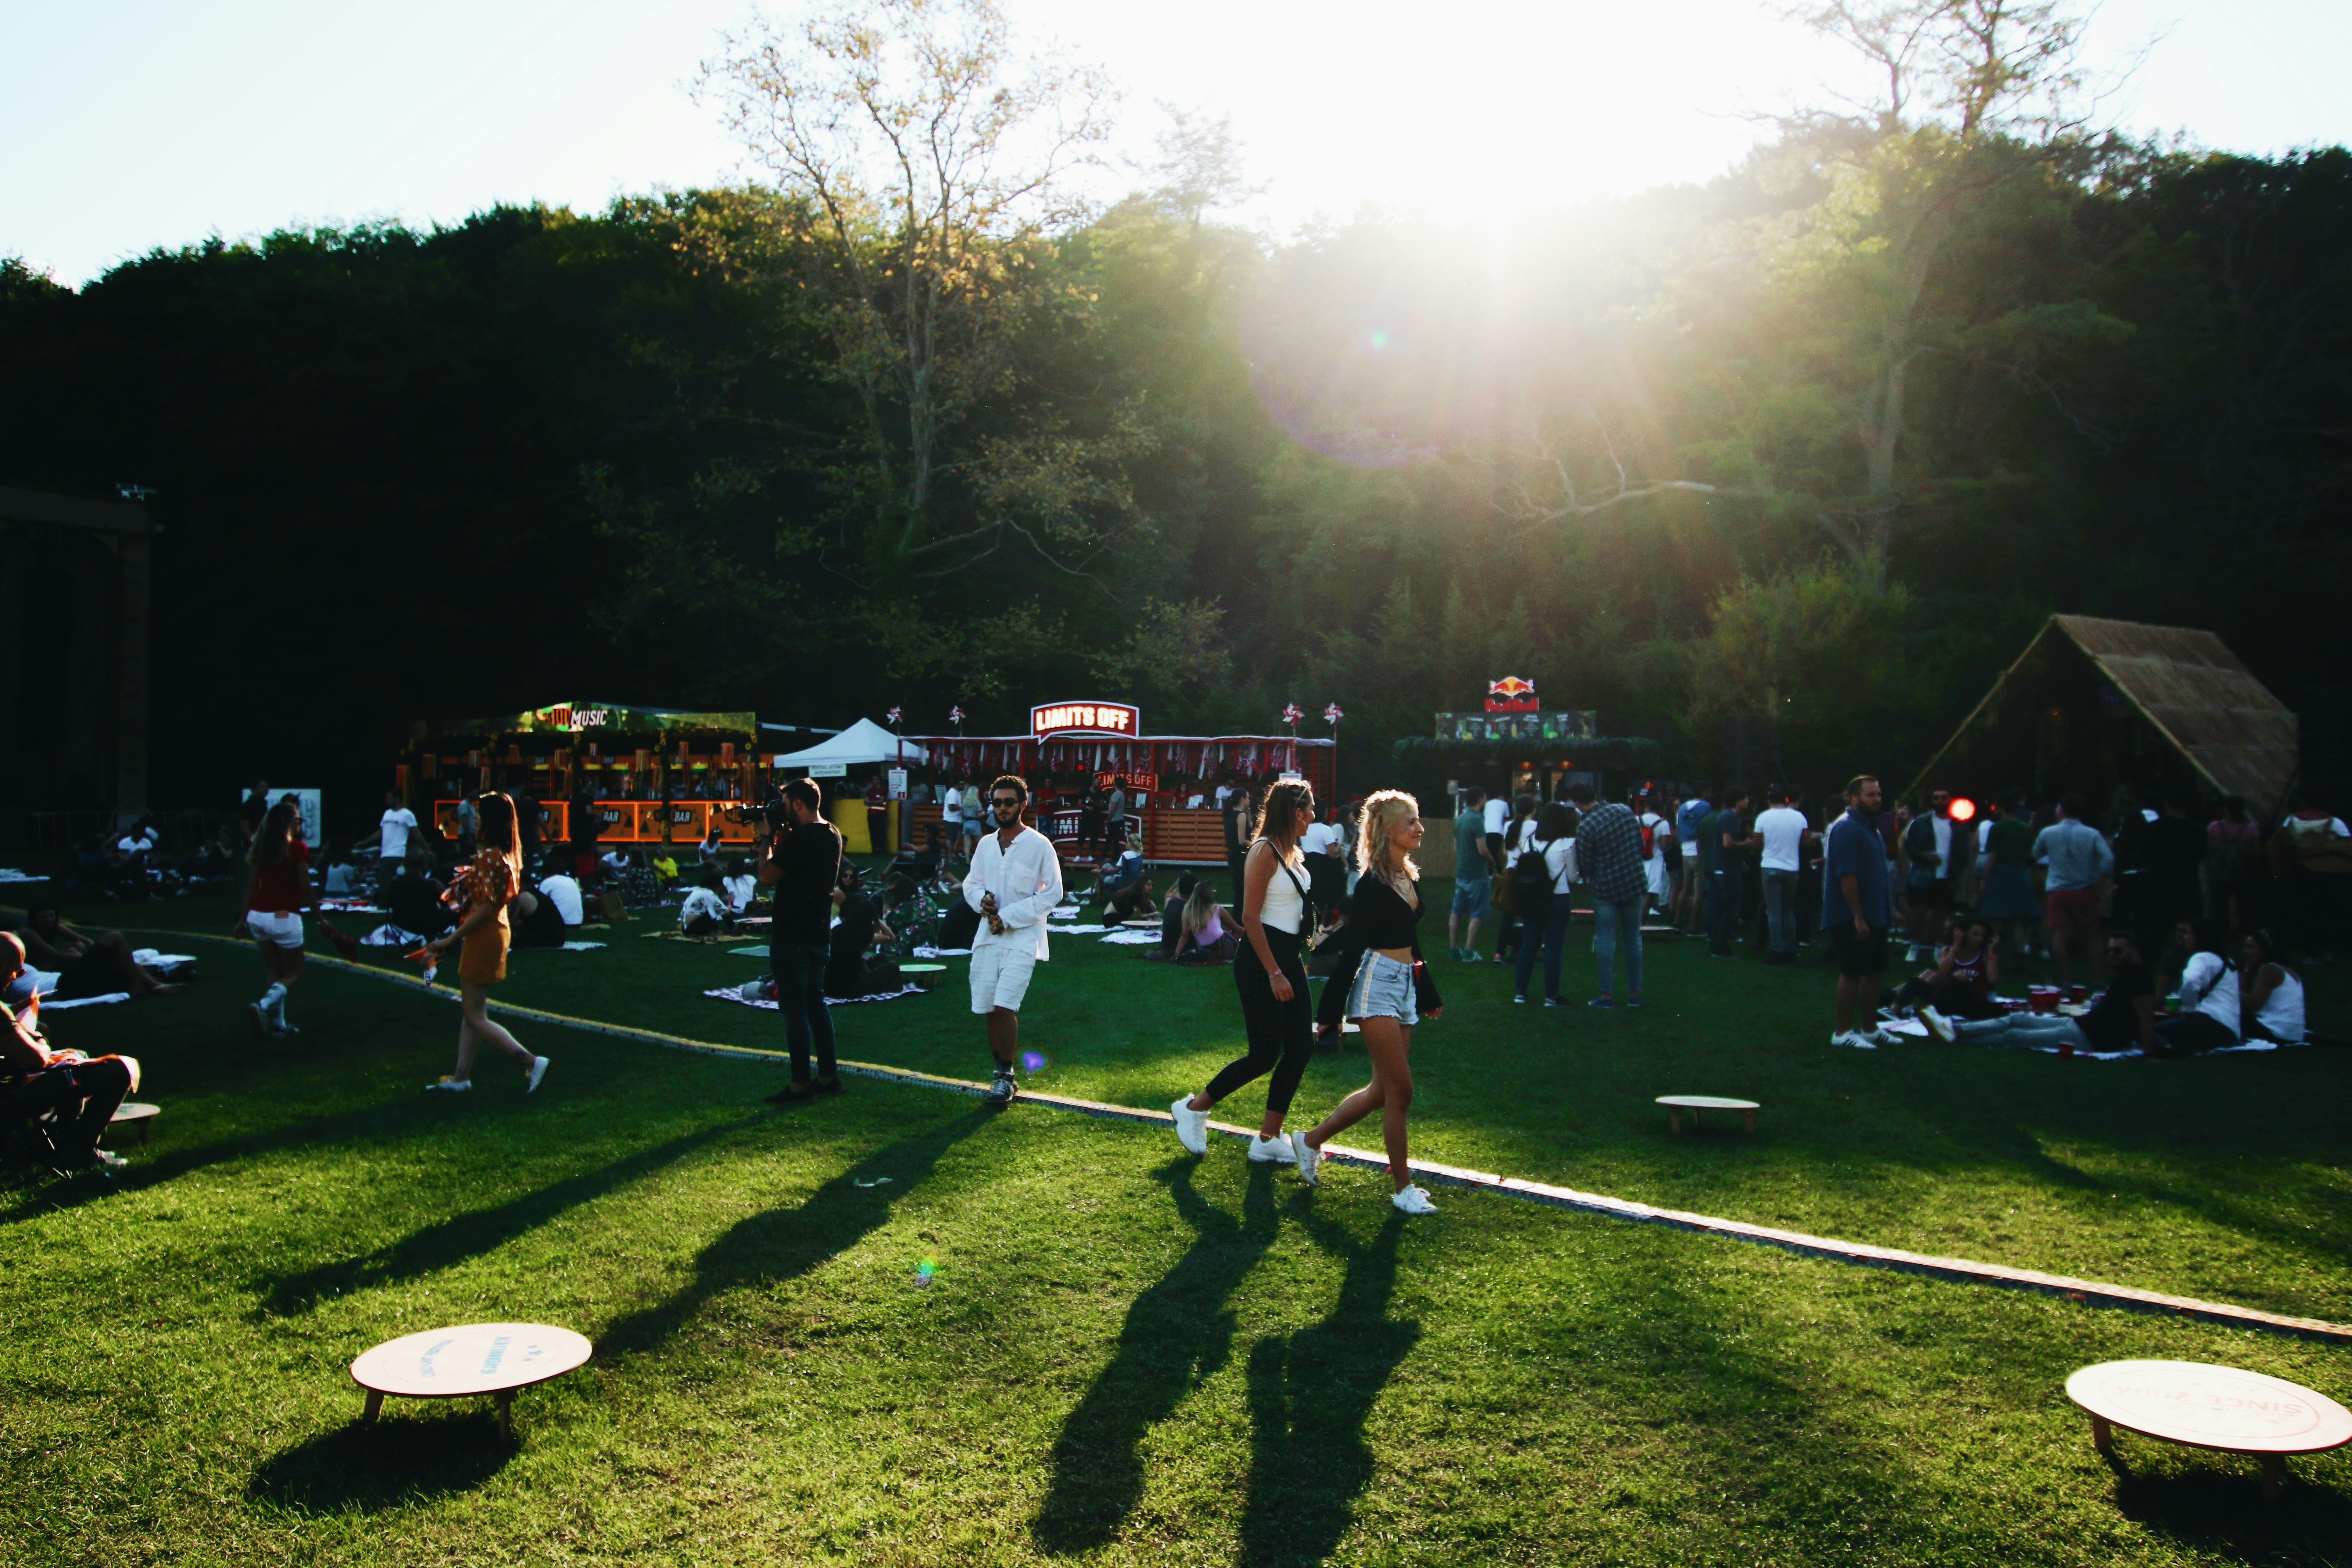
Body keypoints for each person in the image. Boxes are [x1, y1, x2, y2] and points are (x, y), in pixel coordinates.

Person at [1294, 790, 1442, 1215]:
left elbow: (1412, 941)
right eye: (1410, 822)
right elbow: (1355, 947)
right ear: (1388, 832)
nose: (1420, 828)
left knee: (1383, 1091)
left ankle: (1310, 1140)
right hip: (1376, 984)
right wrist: (1328, 1015)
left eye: (1417, 820)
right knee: (1402, 1091)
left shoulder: (1405, 874)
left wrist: (1428, 992)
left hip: (1405, 985)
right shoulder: (1372, 883)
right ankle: (1402, 1189)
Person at [1173, 781, 1323, 1162]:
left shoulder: (1292, 853)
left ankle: (1268, 1138)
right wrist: (1274, 972)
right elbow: (1249, 917)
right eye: (1309, 810)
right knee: (1264, 1054)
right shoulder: (1264, 850)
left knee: (1301, 1047)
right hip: (1261, 962)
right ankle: (1192, 1109)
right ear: (1293, 811)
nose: (1313, 817)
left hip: (1286, 958)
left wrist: (1292, 963)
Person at [422, 793, 548, 1094]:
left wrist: (449, 939)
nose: (475, 818)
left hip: (485, 934)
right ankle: (461, 1077)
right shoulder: (506, 854)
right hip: (497, 932)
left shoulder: (488, 856)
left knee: (475, 1014)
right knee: (473, 1012)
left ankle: (530, 1061)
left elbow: (484, 909)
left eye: (480, 814)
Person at [962, 775, 1064, 1107]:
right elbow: (971, 883)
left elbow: (1053, 893)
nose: (1002, 808)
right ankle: (1000, 1073)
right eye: (997, 803)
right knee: (989, 1007)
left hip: (1021, 937)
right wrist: (983, 902)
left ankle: (1006, 1079)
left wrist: (1007, 916)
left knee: (1006, 1005)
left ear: (1023, 804)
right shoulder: (986, 845)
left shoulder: (1039, 845)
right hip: (987, 937)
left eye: (1009, 802)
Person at [2, 933, 139, 1174]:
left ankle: (66, 1143)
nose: (17, 976)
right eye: (16, 969)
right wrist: (38, 1037)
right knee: (119, 1069)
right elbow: (38, 1058)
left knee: (75, 1058)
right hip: (9, 1101)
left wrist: (14, 1020)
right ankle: (79, 1152)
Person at [754, 778, 847, 1101]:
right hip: (819, 933)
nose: (781, 810)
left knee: (794, 1011)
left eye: (784, 803)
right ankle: (827, 1077)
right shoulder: (832, 833)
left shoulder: (800, 838)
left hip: (792, 934)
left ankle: (799, 1085)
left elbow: (767, 876)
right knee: (817, 1007)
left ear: (797, 804)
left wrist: (767, 837)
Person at [1943, 931, 2156, 1055]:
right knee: (2018, 1018)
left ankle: (1957, 1039)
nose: (2112, 956)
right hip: (2081, 1024)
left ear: (2135, 952)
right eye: (2109, 951)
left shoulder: (2139, 977)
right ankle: (1956, 1028)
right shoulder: (2127, 974)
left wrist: (2149, 1054)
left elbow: (2146, 1017)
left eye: (2118, 951)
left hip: (2090, 1037)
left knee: (2016, 1036)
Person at [1825, 775, 1896, 1049]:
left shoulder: (1873, 830)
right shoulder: (1846, 829)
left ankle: (1870, 1028)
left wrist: (1890, 909)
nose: (1877, 799)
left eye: (1878, 794)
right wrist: (1857, 916)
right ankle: (1842, 1033)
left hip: (1875, 914)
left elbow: (1879, 875)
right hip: (1851, 916)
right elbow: (1847, 874)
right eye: (1870, 795)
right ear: (1853, 798)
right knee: (1853, 972)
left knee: (1876, 970)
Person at [235, 797, 314, 1040]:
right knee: (294, 973)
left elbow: (252, 888)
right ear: (289, 823)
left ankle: (278, 1025)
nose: (300, 823)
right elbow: (305, 885)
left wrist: (241, 920)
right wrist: (320, 916)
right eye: (298, 819)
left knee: (276, 970)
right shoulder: (297, 849)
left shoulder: (261, 848)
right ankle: (263, 1006)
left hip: (257, 915)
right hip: (283, 915)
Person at [14, 903, 186, 999]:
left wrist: (92, 953)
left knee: (81, 947)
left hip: (64, 975)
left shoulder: (54, 926)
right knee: (115, 937)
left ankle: (155, 986)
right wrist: (87, 957)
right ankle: (138, 986)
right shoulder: (29, 933)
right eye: (43, 917)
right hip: (53, 971)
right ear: (34, 920)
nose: (48, 920)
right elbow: (56, 956)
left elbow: (85, 940)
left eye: (51, 916)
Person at [2034, 793, 2114, 989]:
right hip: (2084, 888)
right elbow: (2109, 859)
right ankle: (2099, 980)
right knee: (2093, 934)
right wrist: (2101, 882)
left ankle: (2067, 980)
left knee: (2059, 935)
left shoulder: (2048, 832)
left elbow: (2037, 854)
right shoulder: (2092, 834)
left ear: (2061, 810)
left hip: (2057, 890)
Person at [1510, 802, 1577, 1005]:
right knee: (1554, 947)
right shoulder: (1567, 844)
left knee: (1529, 944)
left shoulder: (1530, 841)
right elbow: (1573, 877)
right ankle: (1552, 995)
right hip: (1558, 897)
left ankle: (1521, 992)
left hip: (1532, 899)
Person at [1899, 914, 2004, 1029]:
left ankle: (1924, 1010)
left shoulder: (1985, 955)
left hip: (1973, 1003)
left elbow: (1992, 980)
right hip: (1950, 1001)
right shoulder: (1949, 950)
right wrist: (1956, 944)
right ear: (1964, 933)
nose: (1980, 939)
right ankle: (1894, 1010)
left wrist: (1991, 951)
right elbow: (1943, 972)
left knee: (1960, 978)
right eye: (1975, 935)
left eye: (1983, 936)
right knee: (1915, 981)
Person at [2154, 920, 2240, 1055]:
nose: (2185, 937)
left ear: (2198, 938)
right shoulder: (2227, 961)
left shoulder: (2201, 958)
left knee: (2147, 1032)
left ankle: (2169, 1051)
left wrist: (2190, 1009)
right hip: (2231, 1030)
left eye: (2188, 933)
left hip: (2211, 1021)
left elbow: (2190, 981)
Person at [1977, 791, 2040, 963]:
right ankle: (2020, 955)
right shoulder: (2025, 828)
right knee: (2021, 918)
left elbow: (1994, 855)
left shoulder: (1997, 828)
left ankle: (1992, 953)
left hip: (2001, 874)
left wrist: (1985, 878)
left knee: (1994, 916)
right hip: (2020, 874)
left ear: (2001, 807)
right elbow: (2030, 854)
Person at [1755, 786, 1809, 965]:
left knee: (1773, 911)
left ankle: (1776, 949)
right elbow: (1806, 841)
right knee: (1788, 910)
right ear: (1786, 800)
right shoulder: (1799, 817)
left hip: (1770, 865)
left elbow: (1757, 843)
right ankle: (1791, 949)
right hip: (1792, 868)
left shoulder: (1763, 817)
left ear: (1769, 801)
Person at [1706, 788, 1759, 959]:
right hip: (1727, 869)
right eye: (1745, 799)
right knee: (1731, 908)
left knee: (1724, 906)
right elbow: (1727, 844)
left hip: (1728, 866)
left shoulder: (1728, 817)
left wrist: (1741, 862)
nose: (1748, 802)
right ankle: (1720, 946)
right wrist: (1746, 844)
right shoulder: (1729, 817)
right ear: (1738, 801)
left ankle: (1716, 943)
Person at [2205, 794, 2261, 938]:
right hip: (2243, 873)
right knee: (2246, 908)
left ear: (2226, 809)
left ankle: (2218, 935)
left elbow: (2209, 852)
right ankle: (2247, 936)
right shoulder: (2252, 829)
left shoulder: (2214, 827)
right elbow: (2256, 854)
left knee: (2218, 908)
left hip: (2219, 873)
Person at [2239, 928, 2305, 1044]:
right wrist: (2248, 970)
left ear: (2264, 951)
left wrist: (2231, 989)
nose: (2244, 951)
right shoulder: (2287, 970)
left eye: (2250, 947)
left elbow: (2255, 1004)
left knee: (2226, 1019)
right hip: (2293, 1034)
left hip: (2275, 1031)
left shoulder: (2269, 969)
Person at [1448, 786, 1490, 962]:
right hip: (1477, 873)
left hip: (1462, 871)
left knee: (1457, 911)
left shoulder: (1461, 819)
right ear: (1480, 800)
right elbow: (1482, 849)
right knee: (1477, 912)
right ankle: (1468, 951)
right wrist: (1492, 860)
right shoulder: (1477, 820)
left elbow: (1455, 847)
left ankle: (1453, 949)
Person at [1172, 879, 1239, 965]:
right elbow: (1237, 928)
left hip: (1205, 950)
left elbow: (1185, 935)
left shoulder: (1188, 910)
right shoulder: (1217, 909)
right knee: (1236, 934)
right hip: (1223, 947)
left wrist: (1176, 955)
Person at [1674, 785, 1713, 932]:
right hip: (1698, 851)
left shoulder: (1683, 807)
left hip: (1685, 850)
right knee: (1699, 891)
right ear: (1704, 792)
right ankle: (1693, 925)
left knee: (1685, 887)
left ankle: (1677, 921)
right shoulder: (1706, 807)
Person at [1302, 801, 1348, 920]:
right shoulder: (1326, 830)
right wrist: (1338, 846)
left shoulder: (1305, 828)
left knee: (1310, 901)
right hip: (1323, 868)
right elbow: (1332, 854)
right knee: (1323, 901)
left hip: (1307, 865)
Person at [1636, 791, 1673, 916]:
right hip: (1655, 860)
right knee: (1650, 891)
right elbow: (1664, 846)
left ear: (1647, 807)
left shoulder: (1637, 820)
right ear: (1660, 809)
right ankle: (1642, 921)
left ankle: (1633, 919)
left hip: (1638, 858)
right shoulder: (1664, 824)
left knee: (1637, 890)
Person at [678, 872, 733, 936]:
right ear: (716, 885)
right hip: (695, 927)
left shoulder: (696, 892)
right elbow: (726, 913)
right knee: (712, 914)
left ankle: (732, 929)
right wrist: (730, 903)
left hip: (686, 929)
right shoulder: (709, 893)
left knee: (709, 910)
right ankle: (733, 929)